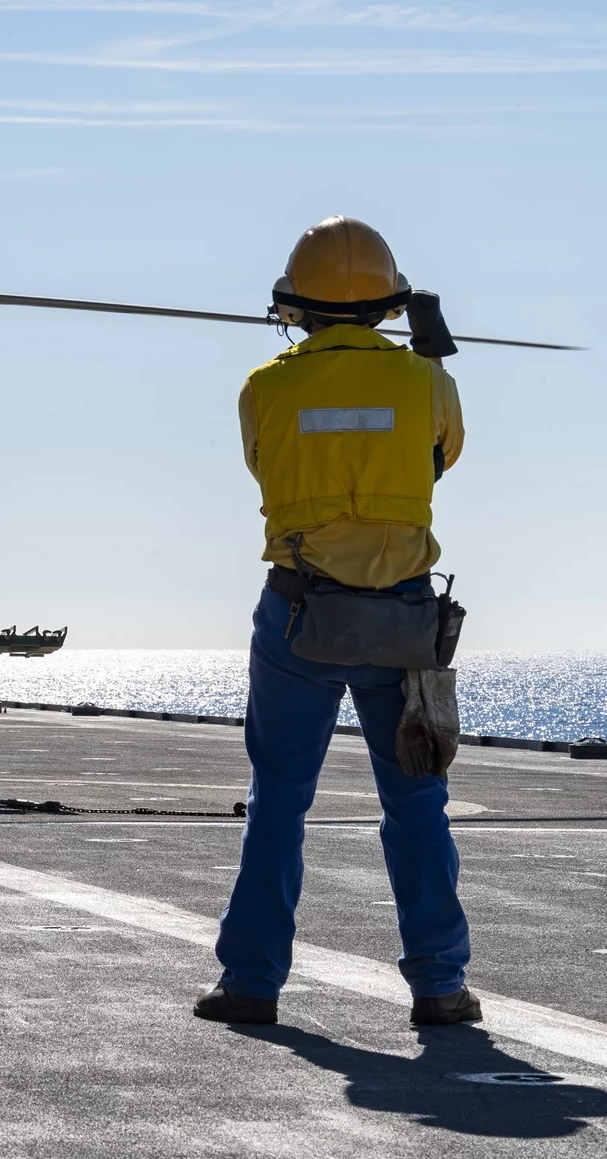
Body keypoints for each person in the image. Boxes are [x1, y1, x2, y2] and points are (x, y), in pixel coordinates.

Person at [196, 216, 479, 1028]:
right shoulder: (428, 382)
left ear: (296, 304)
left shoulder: (265, 386)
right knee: (417, 801)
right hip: (400, 614)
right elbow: (443, 457)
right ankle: (438, 985)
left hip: (300, 612)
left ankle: (251, 983)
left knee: (278, 799)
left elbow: (262, 462)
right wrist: (425, 359)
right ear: (392, 303)